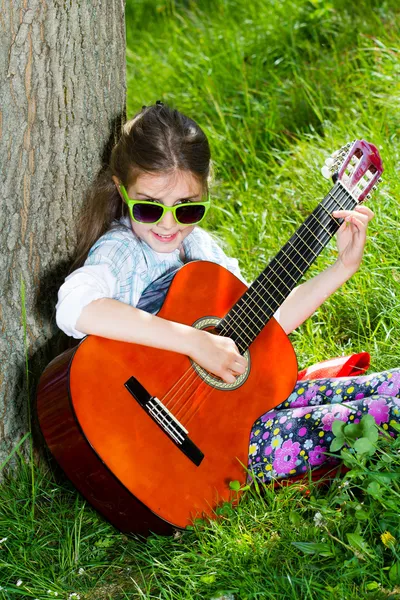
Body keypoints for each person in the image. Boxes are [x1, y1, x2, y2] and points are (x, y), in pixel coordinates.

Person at [56, 101, 400, 482]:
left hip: (227, 414)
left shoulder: (202, 249)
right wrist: (193, 342)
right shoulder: (124, 250)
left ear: (205, 191)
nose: (169, 224)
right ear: (123, 189)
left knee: (389, 386)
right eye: (150, 208)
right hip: (186, 447)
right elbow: (74, 307)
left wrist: (341, 269)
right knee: (376, 415)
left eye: (186, 208)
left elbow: (262, 321)